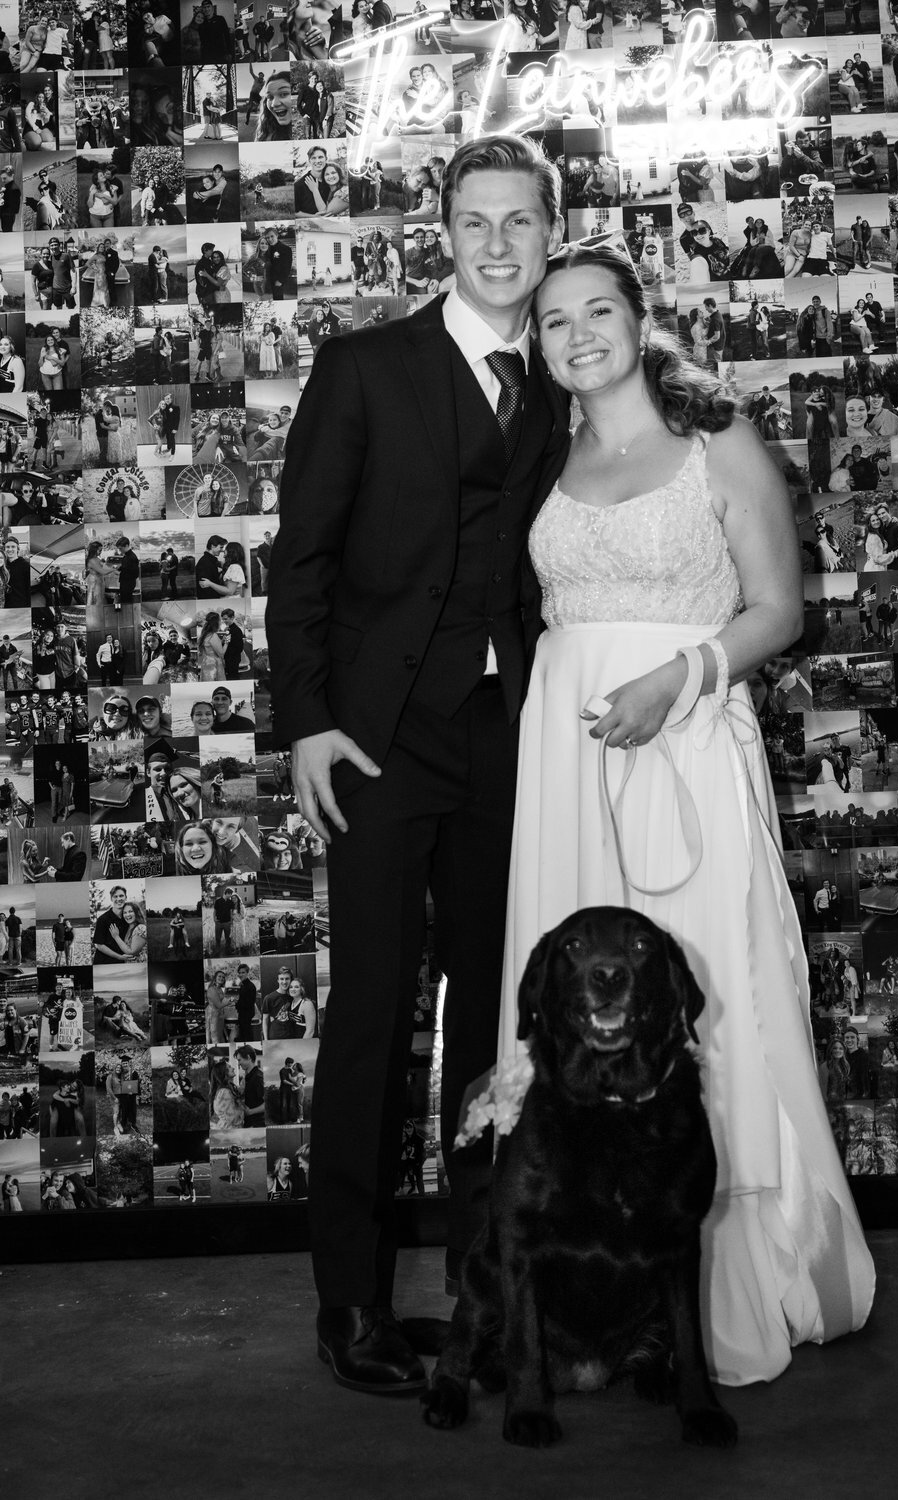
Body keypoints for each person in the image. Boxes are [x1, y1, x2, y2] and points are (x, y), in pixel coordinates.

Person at [484, 240, 875, 1385]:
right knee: (577, 992)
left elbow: (778, 610)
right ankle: (586, 1295)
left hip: (688, 736)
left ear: (639, 317)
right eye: (555, 321)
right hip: (567, 756)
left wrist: (679, 679)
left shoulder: (717, 438)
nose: (578, 336)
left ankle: (733, 1279)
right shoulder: (540, 454)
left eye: (597, 311)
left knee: (709, 990)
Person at [266, 135, 570, 1395]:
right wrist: (306, 722)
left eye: (519, 222)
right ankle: (349, 1305)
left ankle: (480, 1298)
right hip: (377, 742)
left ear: (552, 234)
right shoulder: (364, 367)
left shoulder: (567, 376)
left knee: (492, 1024)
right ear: (442, 235)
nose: (497, 244)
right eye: (474, 222)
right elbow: (301, 558)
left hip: (510, 735)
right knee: (372, 1016)